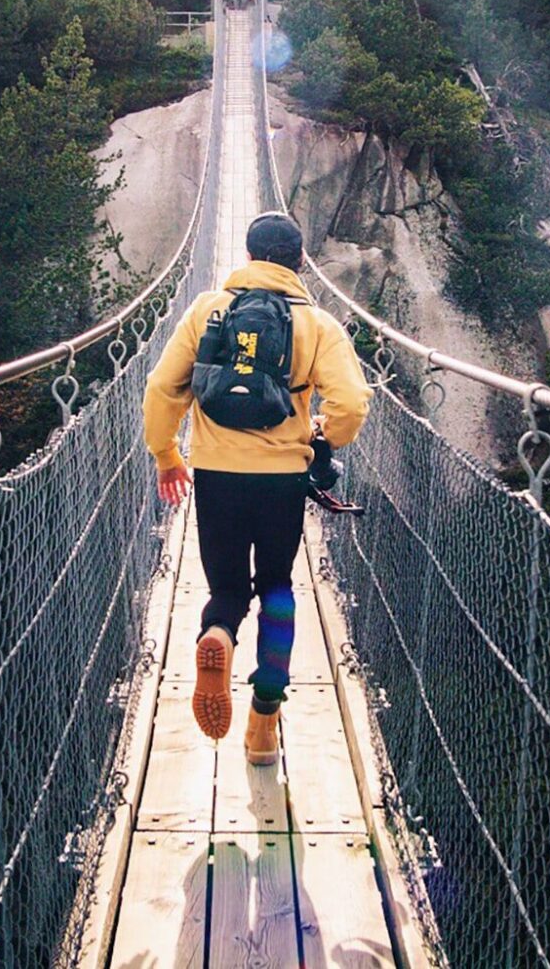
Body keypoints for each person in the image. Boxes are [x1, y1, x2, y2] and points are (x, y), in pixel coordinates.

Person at [143, 212, 371, 764]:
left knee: (227, 588)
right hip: (282, 483)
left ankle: (217, 632)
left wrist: (167, 454)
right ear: (298, 263)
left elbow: (161, 387)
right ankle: (264, 721)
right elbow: (351, 405)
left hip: (217, 476)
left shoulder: (206, 310)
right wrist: (320, 437)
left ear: (247, 258)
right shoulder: (317, 325)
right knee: (276, 590)